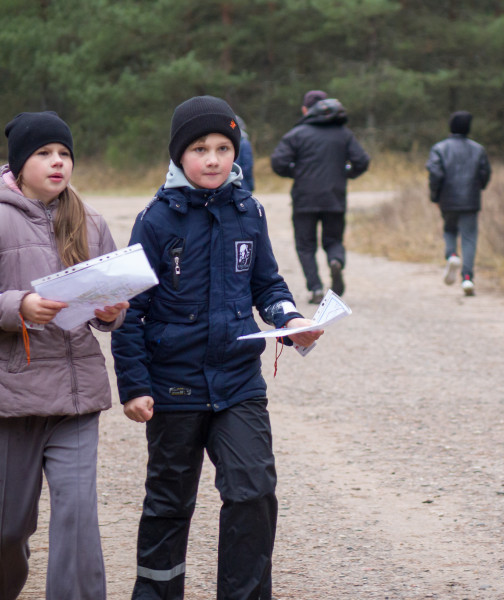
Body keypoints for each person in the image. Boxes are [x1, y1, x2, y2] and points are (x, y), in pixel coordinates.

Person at [111, 95, 324, 600]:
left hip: (238, 385)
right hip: (172, 388)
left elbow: (267, 286)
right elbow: (130, 312)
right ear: (179, 156)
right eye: (200, 148)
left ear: (237, 152)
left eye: (224, 147)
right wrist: (135, 385)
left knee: (254, 492)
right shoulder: (156, 220)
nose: (212, 159)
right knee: (168, 504)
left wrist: (289, 319)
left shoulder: (249, 212)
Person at [0, 111, 128, 600]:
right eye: (44, 153)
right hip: (9, 402)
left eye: (65, 154)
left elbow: (106, 315)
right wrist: (15, 306)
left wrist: (110, 312)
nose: (57, 163)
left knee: (77, 520)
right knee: (8, 528)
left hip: (74, 401)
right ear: (18, 164)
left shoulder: (90, 222)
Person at [270, 90, 371, 304]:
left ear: (306, 110)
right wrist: (345, 174)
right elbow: (362, 161)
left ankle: (315, 288)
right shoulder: (343, 134)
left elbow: (278, 162)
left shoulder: (297, 134)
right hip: (334, 197)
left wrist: (297, 173)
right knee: (333, 240)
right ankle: (335, 261)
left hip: (304, 198)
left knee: (306, 245)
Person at [426, 111, 491, 296]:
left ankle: (452, 256)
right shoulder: (478, 149)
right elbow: (485, 174)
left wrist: (435, 197)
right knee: (469, 238)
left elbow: (435, 174)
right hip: (471, 200)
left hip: (448, 199)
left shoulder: (439, 148)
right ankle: (467, 279)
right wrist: (478, 187)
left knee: (449, 230)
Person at [234, 114, 255, 192]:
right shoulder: (244, 143)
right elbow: (247, 166)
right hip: (242, 185)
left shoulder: (222, 142)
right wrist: (251, 185)